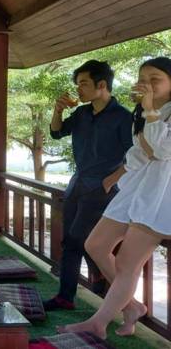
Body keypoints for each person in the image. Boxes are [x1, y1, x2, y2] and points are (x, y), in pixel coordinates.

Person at [59, 57, 171, 339]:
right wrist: (118, 176)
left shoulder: (152, 111)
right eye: (143, 78)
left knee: (127, 263)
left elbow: (162, 151)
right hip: (136, 187)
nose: (147, 84)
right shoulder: (142, 111)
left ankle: (99, 322)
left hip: (161, 194)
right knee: (95, 244)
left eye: (155, 79)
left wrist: (150, 111)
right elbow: (140, 152)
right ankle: (132, 306)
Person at [43, 60, 133, 311]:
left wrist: (110, 181)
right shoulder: (82, 113)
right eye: (78, 84)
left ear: (101, 85)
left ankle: (88, 287)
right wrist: (58, 110)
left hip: (102, 189)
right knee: (70, 240)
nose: (78, 89)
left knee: (78, 239)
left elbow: (135, 157)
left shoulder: (123, 117)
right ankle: (72, 292)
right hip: (77, 184)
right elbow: (57, 133)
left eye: (83, 83)